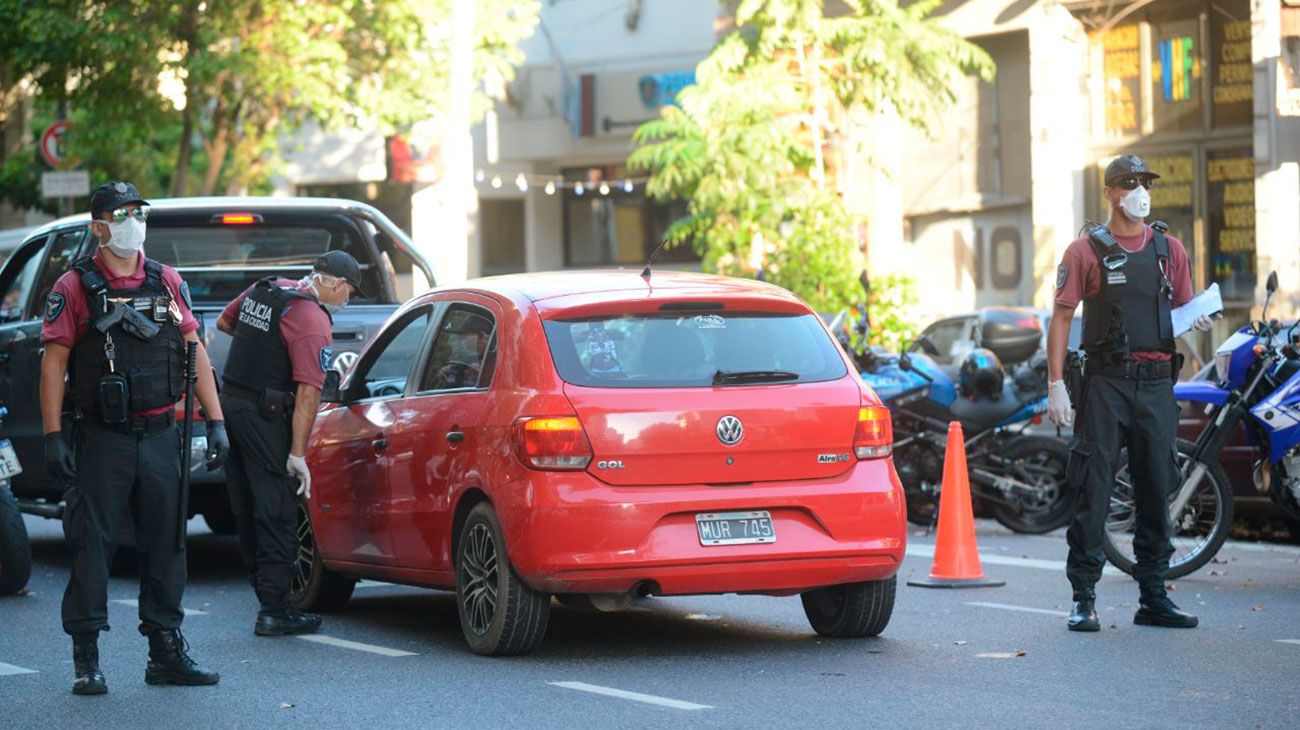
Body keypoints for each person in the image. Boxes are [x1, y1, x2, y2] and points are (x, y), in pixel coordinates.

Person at [40, 181, 228, 695]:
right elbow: (54, 365)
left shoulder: (166, 281)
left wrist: (215, 421)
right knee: (91, 545)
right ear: (97, 226)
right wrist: (53, 435)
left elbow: (195, 354)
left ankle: (165, 651)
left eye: (137, 212)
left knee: (166, 543)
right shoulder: (73, 287)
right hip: (103, 438)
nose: (132, 222)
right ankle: (87, 656)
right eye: (121, 214)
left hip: (162, 432)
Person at [1045, 155, 1215, 633]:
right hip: (1105, 385)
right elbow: (1061, 318)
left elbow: (1180, 308)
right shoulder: (1084, 251)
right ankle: (1083, 597)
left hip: (1158, 384)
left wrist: (1195, 317)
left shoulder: (1168, 249)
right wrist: (1055, 383)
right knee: (1093, 487)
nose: (1140, 191)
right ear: (1111, 194)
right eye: (1129, 183)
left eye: (1145, 182)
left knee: (1156, 487)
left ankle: (1154, 596)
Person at [216, 250, 360, 636]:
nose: (346, 300)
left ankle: (262, 590)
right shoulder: (313, 320)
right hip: (265, 416)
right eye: (348, 291)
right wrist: (297, 454)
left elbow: (224, 322)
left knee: (247, 503)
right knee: (277, 507)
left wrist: (265, 352)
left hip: (232, 403)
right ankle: (275, 609)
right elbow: (309, 394)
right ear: (335, 283)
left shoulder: (266, 289)